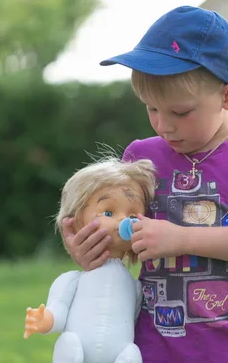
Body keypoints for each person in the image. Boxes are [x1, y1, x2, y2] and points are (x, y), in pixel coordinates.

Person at [60, 5, 228, 363]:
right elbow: (126, 240)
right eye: (151, 109)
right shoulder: (141, 158)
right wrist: (93, 250)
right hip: (151, 352)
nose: (163, 126)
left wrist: (180, 238)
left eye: (180, 112)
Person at [24, 156, 156, 363]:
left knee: (131, 354)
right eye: (108, 212)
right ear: (76, 221)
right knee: (69, 344)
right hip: (77, 354)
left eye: (133, 214)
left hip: (120, 355)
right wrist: (44, 320)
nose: (124, 220)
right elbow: (58, 310)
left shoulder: (135, 288)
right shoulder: (72, 280)